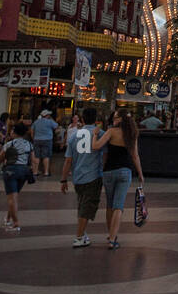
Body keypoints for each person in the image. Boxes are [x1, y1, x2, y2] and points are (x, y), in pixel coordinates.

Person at [92, 110, 144, 249]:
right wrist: (140, 173)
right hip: (125, 172)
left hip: (109, 172)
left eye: (115, 118)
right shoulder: (132, 134)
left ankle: (110, 234)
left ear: (120, 119)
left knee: (110, 205)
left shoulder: (111, 132)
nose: (113, 120)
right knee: (118, 206)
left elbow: (96, 146)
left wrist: (95, 135)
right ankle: (112, 239)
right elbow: (135, 156)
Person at [60, 107, 103, 247]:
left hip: (77, 177)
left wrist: (63, 179)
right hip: (93, 176)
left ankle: (82, 233)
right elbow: (105, 155)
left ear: (82, 119)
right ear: (96, 119)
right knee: (87, 207)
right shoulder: (100, 134)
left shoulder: (74, 136)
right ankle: (79, 236)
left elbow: (68, 160)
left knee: (81, 204)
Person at [0, 121, 35, 232]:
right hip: (23, 171)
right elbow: (33, 160)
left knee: (12, 198)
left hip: (11, 171)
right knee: (14, 196)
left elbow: (0, 159)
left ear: (14, 132)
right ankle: (8, 218)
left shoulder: (9, 144)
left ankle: (16, 223)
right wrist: (33, 171)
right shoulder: (29, 145)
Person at [32, 108, 59, 176]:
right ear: (47, 115)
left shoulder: (36, 122)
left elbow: (32, 130)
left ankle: (35, 171)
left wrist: (34, 138)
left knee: (37, 156)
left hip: (37, 139)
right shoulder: (49, 121)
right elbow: (56, 126)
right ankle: (46, 172)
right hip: (47, 140)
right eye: (49, 115)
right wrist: (51, 119)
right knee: (46, 156)